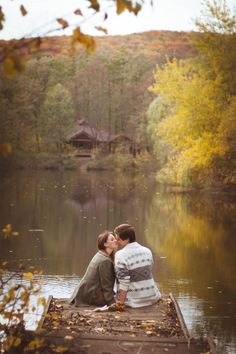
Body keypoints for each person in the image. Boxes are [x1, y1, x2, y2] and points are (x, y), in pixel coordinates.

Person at [114, 223, 161, 308]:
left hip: (134, 301)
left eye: (118, 238)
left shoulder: (120, 255)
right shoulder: (147, 251)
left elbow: (124, 283)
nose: (116, 241)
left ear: (127, 239)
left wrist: (121, 303)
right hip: (152, 297)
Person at [70, 231, 117, 306]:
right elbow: (106, 285)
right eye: (112, 239)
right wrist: (112, 303)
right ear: (105, 244)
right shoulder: (105, 260)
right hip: (90, 297)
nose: (115, 240)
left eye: (115, 238)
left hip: (84, 294)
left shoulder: (100, 254)